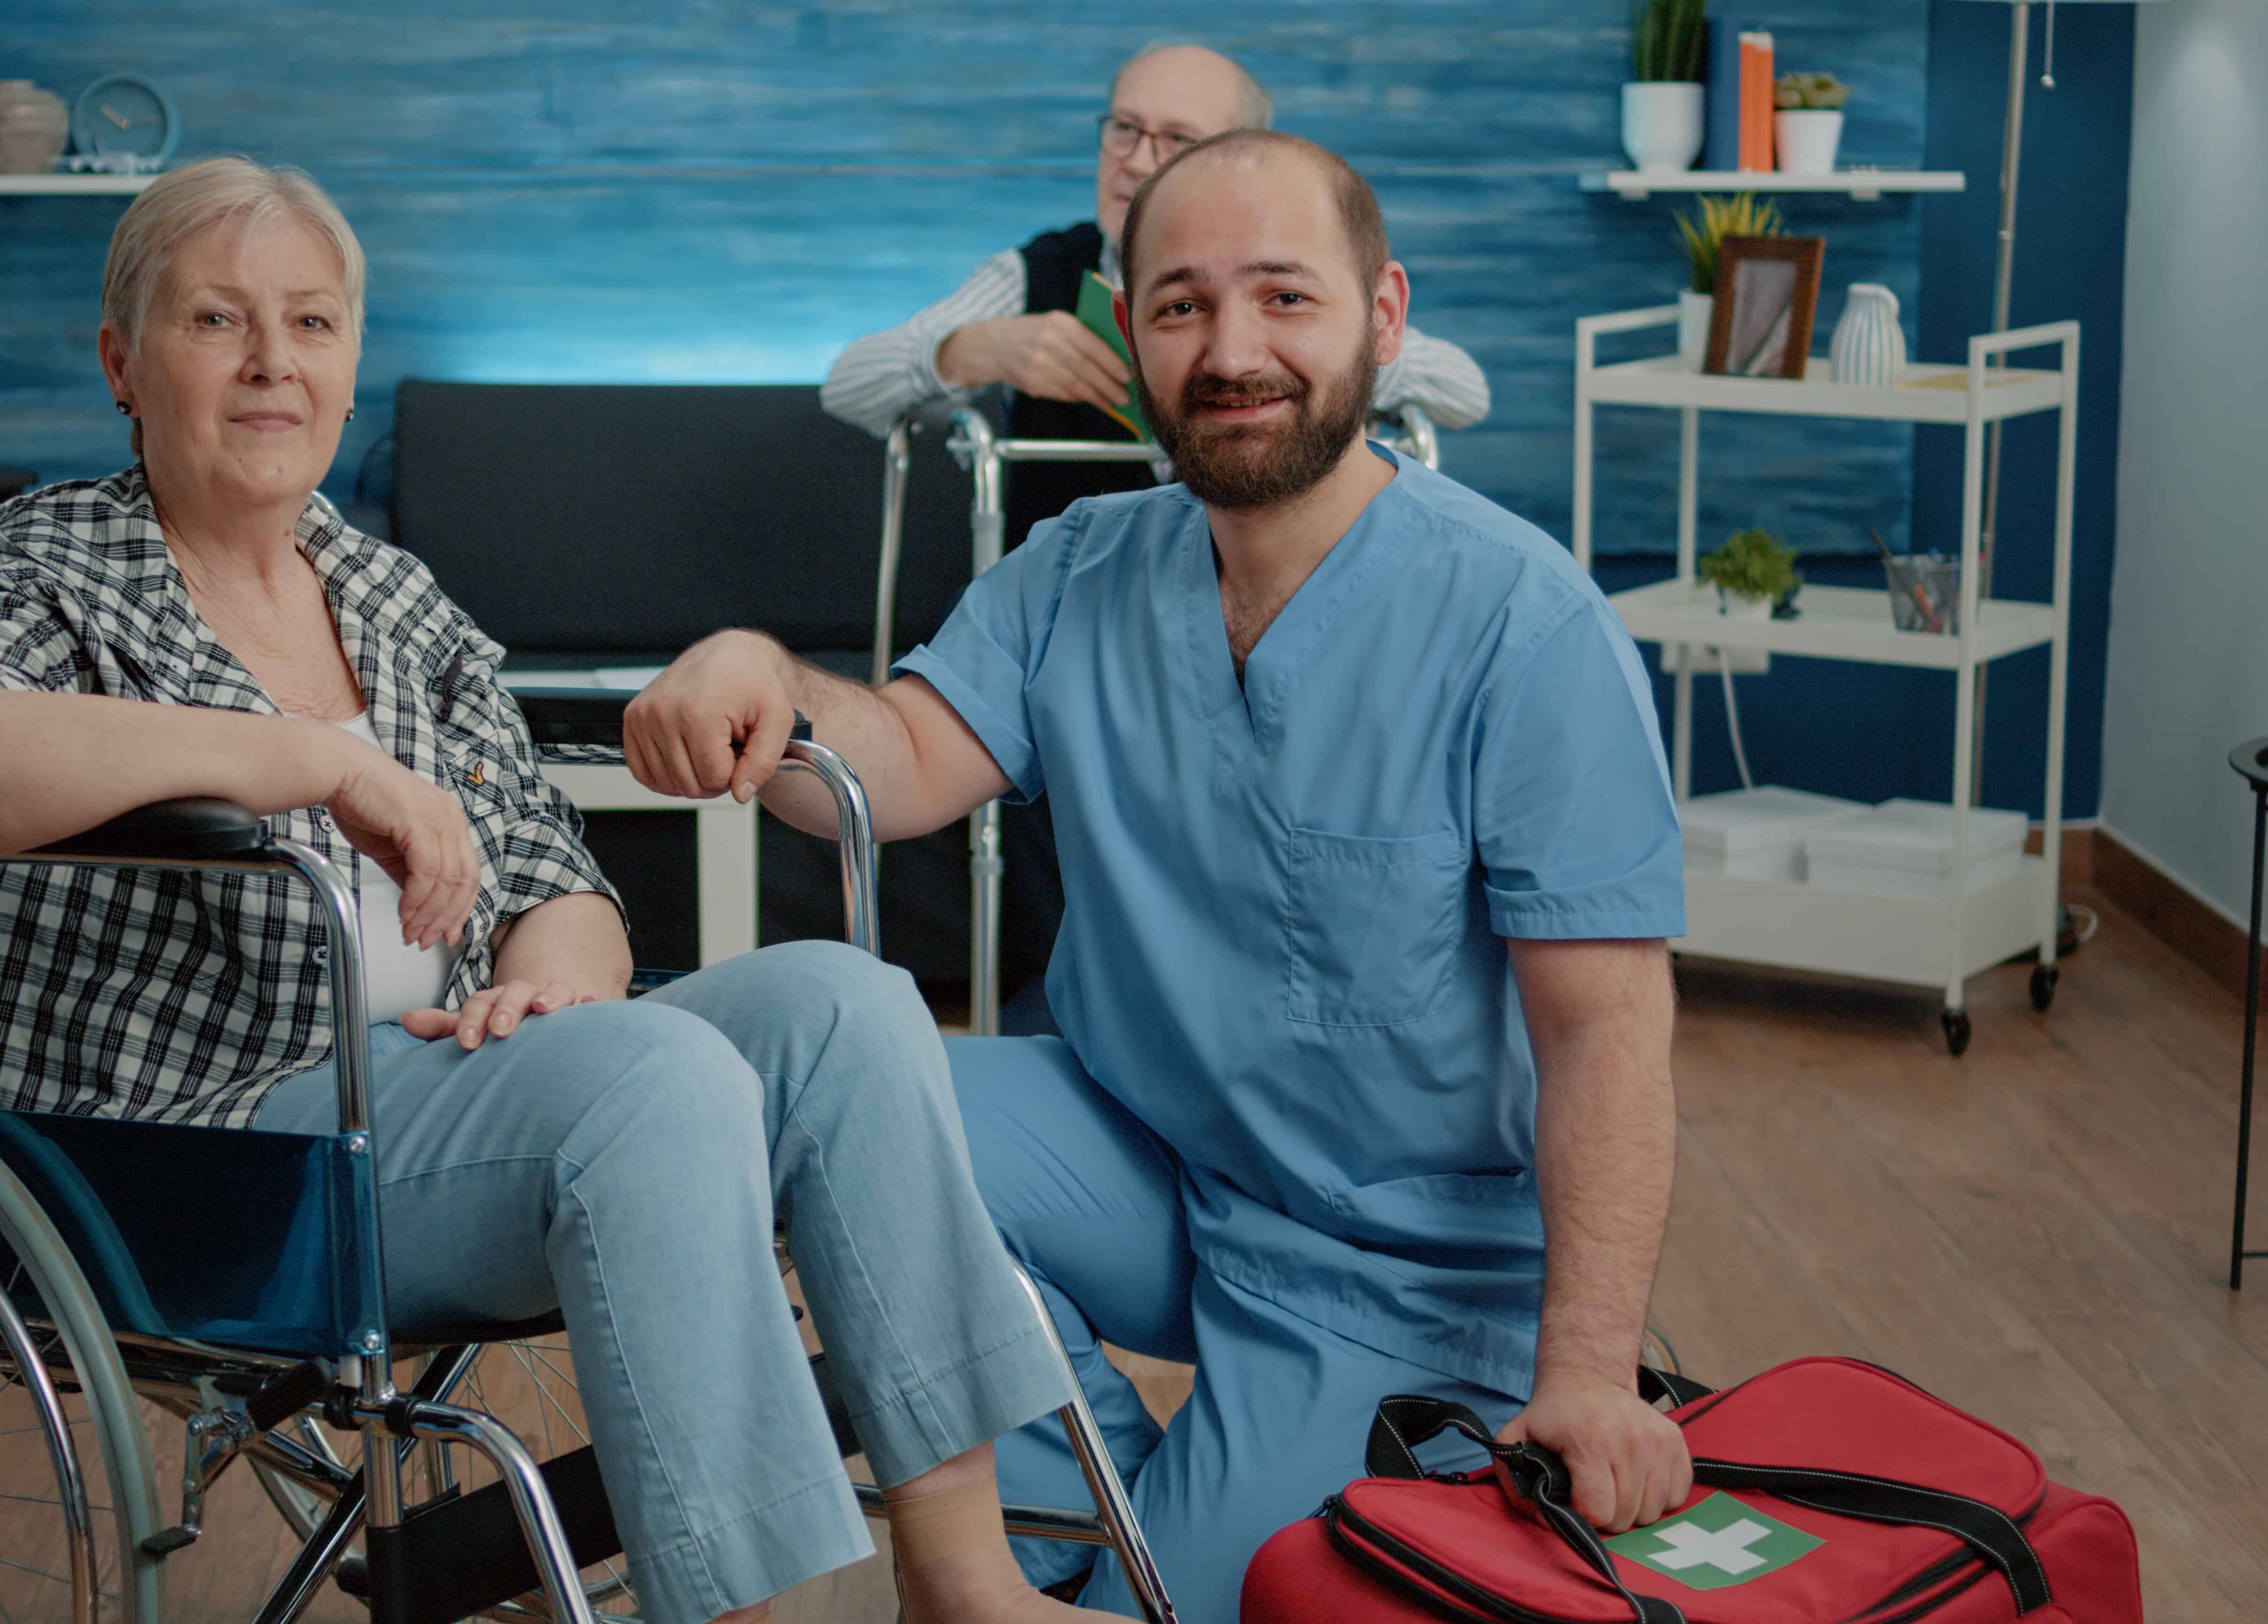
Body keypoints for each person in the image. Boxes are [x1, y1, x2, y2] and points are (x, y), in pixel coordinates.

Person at [0, 156, 1099, 1624]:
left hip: (427, 1101)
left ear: (350, 357)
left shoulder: (389, 594)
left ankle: (967, 1584)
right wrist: (304, 762)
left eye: (312, 325)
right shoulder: (63, 560)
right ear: (124, 362)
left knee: (847, 1005)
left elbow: (554, 876)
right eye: (218, 323)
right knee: (654, 1081)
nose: (272, 364)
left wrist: (556, 992)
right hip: (186, 1155)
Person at [631, 131, 1690, 1624]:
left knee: (1194, 1608)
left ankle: (1124, 1554)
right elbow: (896, 756)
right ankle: (1054, 1536)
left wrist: (1586, 1379)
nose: (1232, 350)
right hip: (1148, 1165)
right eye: (1183, 306)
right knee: (841, 1093)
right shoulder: (1082, 569)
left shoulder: (1525, 624)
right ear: (1131, 337)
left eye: (1284, 299)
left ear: (1383, 320)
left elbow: (1606, 1033)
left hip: (1400, 1268)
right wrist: (760, 678)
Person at [822, 42, 1491, 1021]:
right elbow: (851, 381)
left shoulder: (1281, 299)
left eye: (1177, 139)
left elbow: (1462, 389)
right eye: (1124, 130)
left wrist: (1277, 361)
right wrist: (977, 347)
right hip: (1091, 648)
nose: (1138, 160)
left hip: (1270, 640)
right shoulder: (1038, 274)